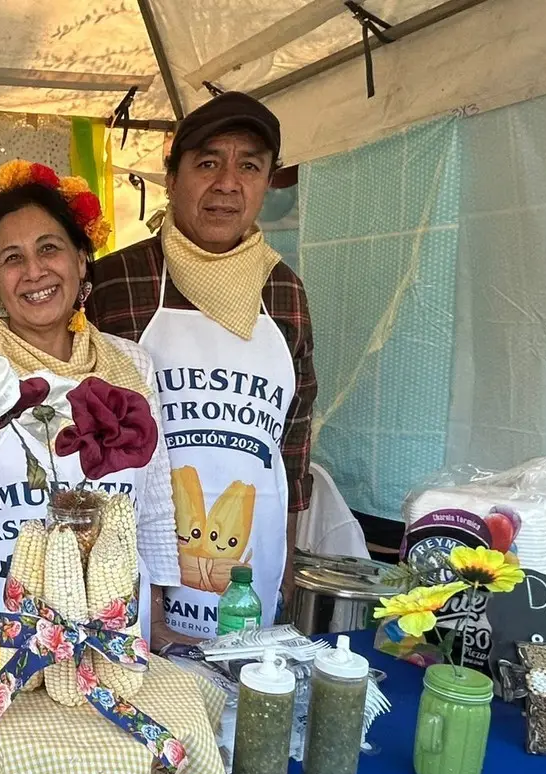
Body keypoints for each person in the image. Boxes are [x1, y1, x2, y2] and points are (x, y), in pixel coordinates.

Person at [0, 160, 179, 706]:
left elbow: (157, 505)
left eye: (49, 248)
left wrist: (157, 624)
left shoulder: (132, 365)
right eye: (12, 258)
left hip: (114, 644)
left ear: (80, 258)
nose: (34, 271)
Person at [88, 92, 318, 641]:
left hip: (248, 569)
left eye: (250, 166)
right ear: (172, 175)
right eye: (208, 162)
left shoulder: (284, 290)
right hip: (134, 574)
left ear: (266, 184)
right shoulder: (115, 281)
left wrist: (286, 561)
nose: (228, 184)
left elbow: (295, 439)